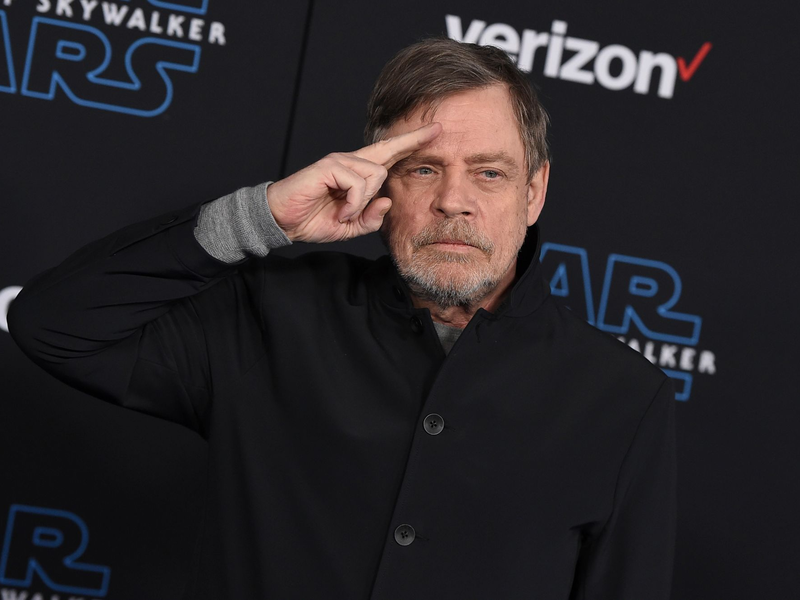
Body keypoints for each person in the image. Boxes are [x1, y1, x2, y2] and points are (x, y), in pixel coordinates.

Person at [9, 38, 676, 599]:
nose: (454, 202)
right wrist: (260, 217)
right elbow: (51, 324)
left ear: (535, 193)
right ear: (379, 180)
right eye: (421, 168)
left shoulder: (623, 398)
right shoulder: (272, 313)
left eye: (490, 174)